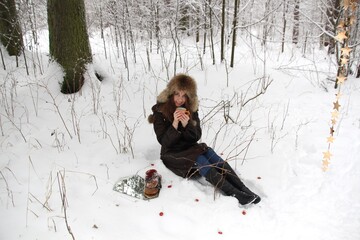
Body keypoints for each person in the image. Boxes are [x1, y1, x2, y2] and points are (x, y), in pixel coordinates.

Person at [148, 74, 260, 205]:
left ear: (188, 97)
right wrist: (175, 124)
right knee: (200, 160)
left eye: (184, 95)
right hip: (171, 153)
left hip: (189, 148)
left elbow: (196, 137)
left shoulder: (190, 109)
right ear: (171, 93)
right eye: (177, 94)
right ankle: (236, 194)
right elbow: (164, 142)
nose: (179, 99)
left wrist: (186, 125)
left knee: (211, 155)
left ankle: (244, 189)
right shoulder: (160, 111)